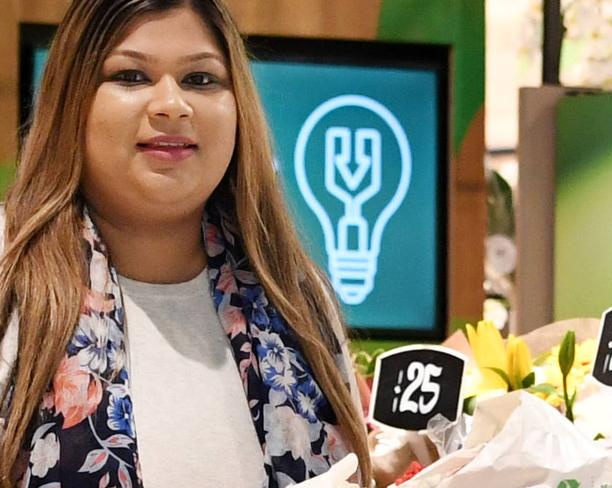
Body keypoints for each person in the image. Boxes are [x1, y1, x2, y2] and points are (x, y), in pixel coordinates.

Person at [0, 1, 372, 486]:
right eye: (131, 76)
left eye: (200, 79)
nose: (172, 104)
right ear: (71, 98)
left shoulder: (298, 300)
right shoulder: (9, 279)